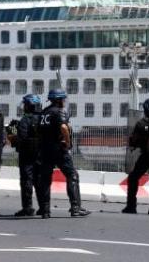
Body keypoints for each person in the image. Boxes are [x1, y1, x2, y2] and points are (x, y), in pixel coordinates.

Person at [38, 89, 91, 218]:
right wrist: (67, 142)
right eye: (63, 99)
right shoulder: (59, 111)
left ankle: (45, 210)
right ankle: (75, 208)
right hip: (58, 149)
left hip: (45, 149)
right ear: (59, 100)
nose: (64, 102)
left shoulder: (44, 113)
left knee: (45, 179)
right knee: (72, 175)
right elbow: (63, 127)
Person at [11, 94, 45, 217]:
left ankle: (27, 208)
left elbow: (22, 139)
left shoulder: (25, 120)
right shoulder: (44, 118)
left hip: (27, 156)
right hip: (42, 155)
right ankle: (43, 207)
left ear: (29, 105)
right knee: (40, 181)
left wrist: (13, 137)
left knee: (26, 181)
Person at [123, 98, 149, 214]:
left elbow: (133, 140)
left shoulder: (141, 124)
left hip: (146, 156)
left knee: (133, 178)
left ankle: (131, 206)